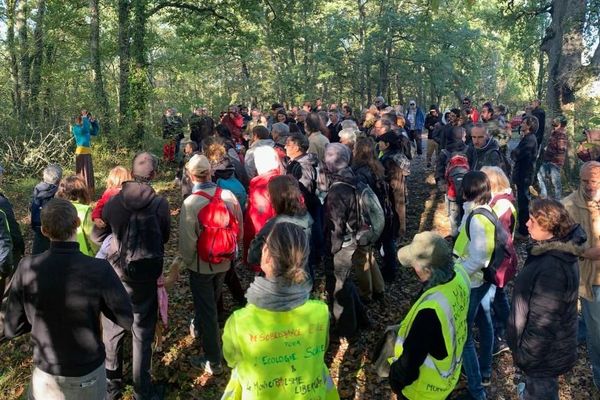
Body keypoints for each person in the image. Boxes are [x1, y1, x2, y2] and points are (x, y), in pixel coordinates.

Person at [3, 198, 133, 400]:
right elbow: (125, 318)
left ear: (44, 231)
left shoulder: (27, 268)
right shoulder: (99, 269)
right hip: (88, 373)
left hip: (47, 375)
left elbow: (12, 328)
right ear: (78, 224)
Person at [221, 222, 339, 399]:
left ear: (266, 254)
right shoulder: (320, 313)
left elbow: (231, 359)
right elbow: (321, 348)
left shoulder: (239, 322)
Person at [98, 152, 170, 400]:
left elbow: (103, 230)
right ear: (154, 174)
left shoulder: (114, 202)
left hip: (115, 274)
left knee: (112, 330)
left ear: (131, 172)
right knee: (142, 333)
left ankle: (111, 388)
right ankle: (142, 391)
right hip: (144, 277)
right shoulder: (160, 204)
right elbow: (165, 236)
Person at [508, 199, 585, 400]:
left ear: (547, 225)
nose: (526, 223)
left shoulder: (553, 267)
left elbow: (543, 322)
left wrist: (527, 357)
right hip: (549, 351)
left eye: (532, 220)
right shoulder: (556, 252)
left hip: (542, 357)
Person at [178, 154, 243, 375]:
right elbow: (238, 230)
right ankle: (204, 331)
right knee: (212, 301)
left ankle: (213, 360)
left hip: (201, 265)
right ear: (210, 172)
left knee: (207, 310)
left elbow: (188, 243)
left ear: (190, 174)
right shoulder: (228, 195)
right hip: (224, 261)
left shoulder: (191, 203)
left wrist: (186, 263)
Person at [389, 231, 470, 399]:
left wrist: (395, 380)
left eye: (415, 265)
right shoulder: (461, 276)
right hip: (448, 379)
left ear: (427, 269)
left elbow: (410, 363)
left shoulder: (430, 312)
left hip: (422, 392)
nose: (413, 268)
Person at [452, 171, 496, 400]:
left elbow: (480, 258)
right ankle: (485, 370)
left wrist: (458, 273)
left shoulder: (477, 218)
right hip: (479, 282)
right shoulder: (482, 211)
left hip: (472, 283)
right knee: (484, 321)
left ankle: (477, 390)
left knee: (465, 337)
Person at [323, 143, 370, 338]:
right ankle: (363, 318)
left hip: (342, 244)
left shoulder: (338, 189)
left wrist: (331, 249)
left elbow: (336, 223)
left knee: (339, 286)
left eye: (327, 157)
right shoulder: (353, 176)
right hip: (356, 236)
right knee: (347, 282)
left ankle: (346, 329)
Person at [562, 161, 600, 393]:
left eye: (593, 181)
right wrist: (585, 252)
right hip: (590, 279)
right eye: (584, 181)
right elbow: (559, 242)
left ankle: (577, 335)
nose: (588, 185)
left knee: (590, 322)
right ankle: (599, 373)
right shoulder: (568, 205)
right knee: (598, 333)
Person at [480, 166, 516, 356]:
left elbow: (497, 239)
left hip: (496, 263)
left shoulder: (501, 207)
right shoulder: (500, 202)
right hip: (500, 262)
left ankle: (498, 336)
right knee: (499, 297)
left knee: (490, 300)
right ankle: (509, 330)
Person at [247, 175, 313, 278]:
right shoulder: (306, 216)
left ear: (274, 196)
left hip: (279, 280)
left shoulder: (273, 226)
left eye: (269, 193)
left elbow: (253, 257)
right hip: (303, 275)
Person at [352, 137, 392, 288]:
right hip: (379, 213)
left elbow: (364, 198)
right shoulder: (376, 166)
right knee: (369, 253)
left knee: (363, 255)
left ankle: (367, 291)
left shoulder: (360, 173)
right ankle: (379, 286)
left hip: (368, 218)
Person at [244, 146, 282, 271]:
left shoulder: (260, 186)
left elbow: (258, 222)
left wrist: (254, 252)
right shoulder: (284, 180)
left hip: (268, 247)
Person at [91, 166, 131, 259]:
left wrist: (96, 217)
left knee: (107, 247)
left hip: (118, 227)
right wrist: (96, 217)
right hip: (111, 226)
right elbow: (100, 205)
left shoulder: (113, 192)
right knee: (108, 246)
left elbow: (99, 205)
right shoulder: (110, 192)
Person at [378, 132, 410, 240]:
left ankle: (397, 234)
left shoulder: (388, 159)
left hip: (393, 191)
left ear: (387, 144)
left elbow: (387, 177)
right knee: (400, 211)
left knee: (396, 211)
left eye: (381, 143)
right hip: (400, 188)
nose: (379, 144)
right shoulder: (398, 154)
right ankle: (401, 232)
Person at [56, 175, 97, 256]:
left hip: (60, 256)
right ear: (82, 191)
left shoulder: (57, 209)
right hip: (83, 258)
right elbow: (93, 239)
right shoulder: (86, 211)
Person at [512, 115, 538, 238]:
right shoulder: (527, 138)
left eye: (524, 122)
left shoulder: (530, 139)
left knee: (523, 203)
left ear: (529, 125)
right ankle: (524, 227)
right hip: (522, 174)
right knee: (522, 202)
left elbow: (517, 154)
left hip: (525, 175)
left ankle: (524, 231)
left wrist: (513, 153)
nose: (521, 124)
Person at [0, 164, 24, 294]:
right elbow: (11, 231)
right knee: (8, 293)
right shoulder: (1, 202)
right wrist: (20, 247)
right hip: (5, 256)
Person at [30, 164, 63, 254]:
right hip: (53, 231)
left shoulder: (38, 188)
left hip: (37, 226)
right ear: (59, 179)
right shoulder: (58, 192)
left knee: (37, 254)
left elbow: (32, 207)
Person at [536, 115, 567, 200]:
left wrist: (550, 153)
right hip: (547, 160)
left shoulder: (561, 134)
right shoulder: (554, 132)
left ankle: (558, 200)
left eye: (556, 122)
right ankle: (544, 196)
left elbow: (561, 149)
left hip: (555, 162)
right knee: (540, 176)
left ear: (560, 124)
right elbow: (552, 145)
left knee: (556, 182)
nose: (553, 123)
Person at [72, 110, 99, 195]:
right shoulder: (76, 128)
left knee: (88, 173)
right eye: (85, 118)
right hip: (80, 153)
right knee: (82, 173)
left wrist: (93, 122)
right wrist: (85, 117)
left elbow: (95, 132)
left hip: (87, 153)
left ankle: (89, 192)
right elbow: (85, 129)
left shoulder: (85, 128)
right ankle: (81, 191)